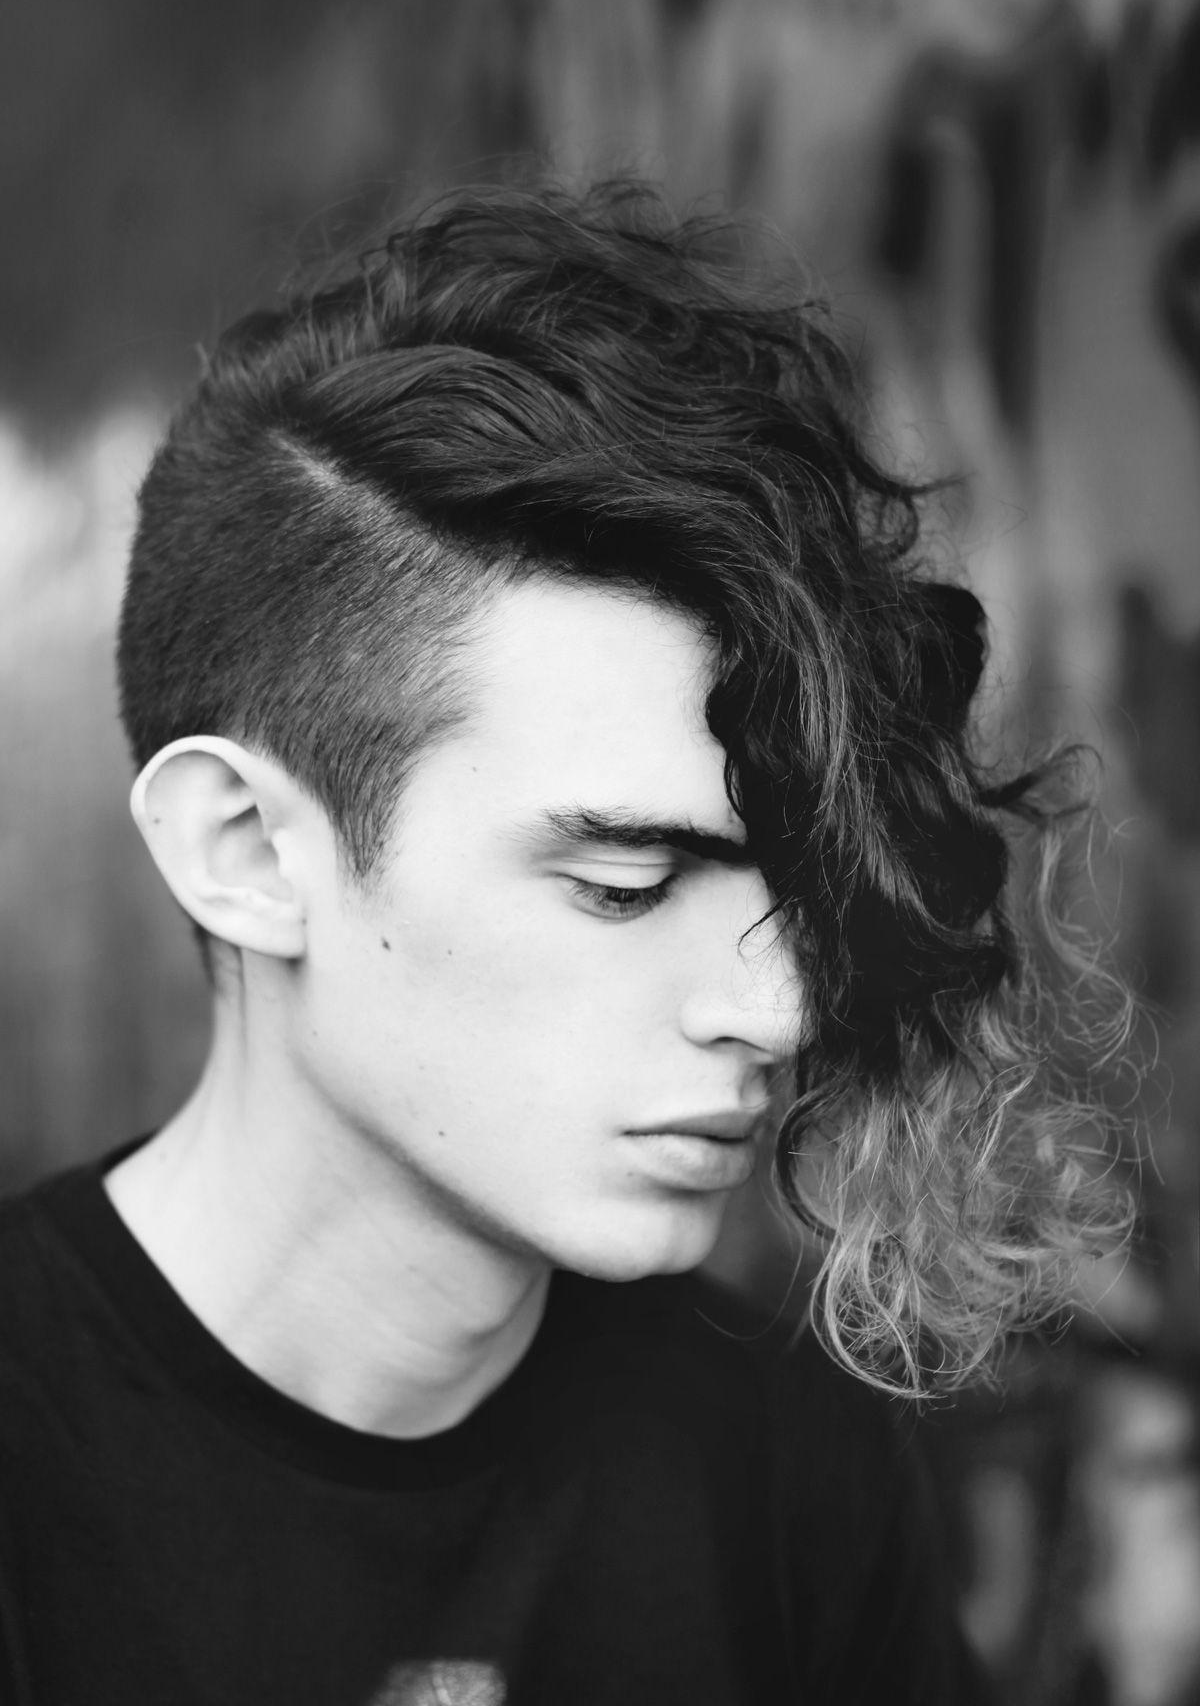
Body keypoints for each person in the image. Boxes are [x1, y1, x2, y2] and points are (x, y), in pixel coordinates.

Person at [0, 178, 1123, 1705]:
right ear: (245, 853)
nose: (781, 1007)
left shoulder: (784, 1463)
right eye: (623, 884)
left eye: (790, 887)